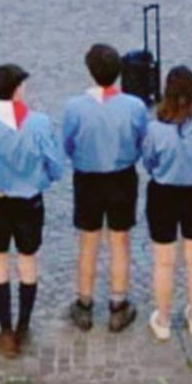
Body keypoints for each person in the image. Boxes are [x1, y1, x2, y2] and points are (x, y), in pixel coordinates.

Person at [0, 63, 67, 358]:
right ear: (18, 88)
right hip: (30, 202)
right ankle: (24, 325)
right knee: (28, 262)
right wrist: (38, 180)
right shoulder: (39, 123)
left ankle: (6, 330)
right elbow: (56, 167)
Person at [62, 43, 148, 335]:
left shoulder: (75, 107)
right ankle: (118, 302)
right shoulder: (134, 106)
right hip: (122, 177)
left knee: (88, 243)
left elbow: (68, 144)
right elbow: (141, 141)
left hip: (87, 179)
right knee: (120, 242)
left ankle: (84, 303)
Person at [140, 65, 192, 341]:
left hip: (163, 194)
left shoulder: (155, 129)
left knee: (164, 262)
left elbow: (148, 161)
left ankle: (162, 319)